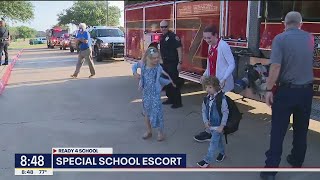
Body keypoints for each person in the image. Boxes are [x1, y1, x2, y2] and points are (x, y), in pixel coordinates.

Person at [260, 11, 314, 180]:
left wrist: (269, 89)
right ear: (301, 23)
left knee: (278, 130)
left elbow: (275, 67)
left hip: (287, 91)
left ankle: (270, 171)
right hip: (306, 91)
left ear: (284, 23)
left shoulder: (280, 39)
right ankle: (297, 160)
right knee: (301, 128)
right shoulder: (309, 38)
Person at [194, 25, 235, 142]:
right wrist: (204, 75)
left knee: (215, 108)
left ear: (216, 35)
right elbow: (210, 65)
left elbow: (232, 64)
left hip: (219, 83)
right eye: (205, 38)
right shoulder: (211, 47)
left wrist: (224, 79)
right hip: (212, 82)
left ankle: (212, 133)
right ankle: (213, 131)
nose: (207, 40)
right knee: (212, 107)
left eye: (209, 38)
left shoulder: (223, 46)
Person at [132, 47, 176, 141]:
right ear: (147, 58)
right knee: (146, 113)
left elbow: (165, 75)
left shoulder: (158, 68)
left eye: (157, 58)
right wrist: (135, 73)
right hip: (146, 93)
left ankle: (160, 132)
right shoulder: (143, 65)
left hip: (155, 94)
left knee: (157, 112)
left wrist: (170, 81)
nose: (156, 60)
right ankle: (149, 131)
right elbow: (134, 66)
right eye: (154, 58)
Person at [197, 76, 229, 168]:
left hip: (218, 126)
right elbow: (203, 110)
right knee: (218, 141)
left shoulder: (221, 99)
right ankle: (222, 153)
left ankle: (207, 160)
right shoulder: (206, 99)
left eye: (210, 87)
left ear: (216, 87)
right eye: (206, 87)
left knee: (213, 143)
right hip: (211, 126)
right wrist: (205, 121)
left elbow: (225, 112)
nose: (207, 89)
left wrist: (222, 126)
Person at [159, 20, 183, 109]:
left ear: (168, 27)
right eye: (162, 27)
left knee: (174, 82)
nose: (163, 28)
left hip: (173, 63)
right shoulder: (162, 37)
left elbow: (179, 49)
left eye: (165, 27)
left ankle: (178, 102)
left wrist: (180, 63)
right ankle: (170, 99)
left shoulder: (173, 37)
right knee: (167, 83)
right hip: (165, 63)